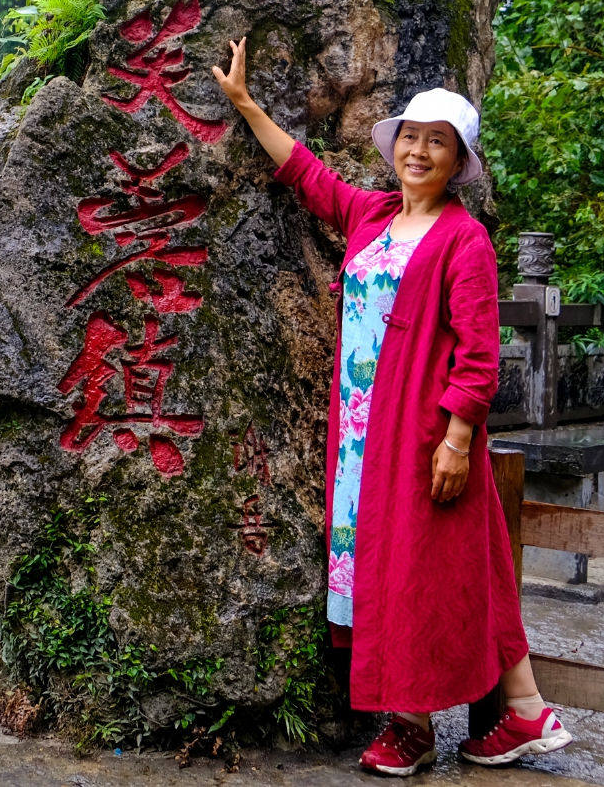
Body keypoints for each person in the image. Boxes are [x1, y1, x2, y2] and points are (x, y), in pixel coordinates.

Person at [211, 40, 573, 776]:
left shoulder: (463, 240)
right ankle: (506, 713)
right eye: (409, 136)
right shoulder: (371, 216)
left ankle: (414, 726)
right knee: (395, 565)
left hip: (419, 430)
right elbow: (305, 173)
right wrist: (245, 104)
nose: (417, 150)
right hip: (360, 434)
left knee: (419, 569)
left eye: (435, 142)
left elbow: (478, 350)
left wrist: (457, 437)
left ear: (457, 160)